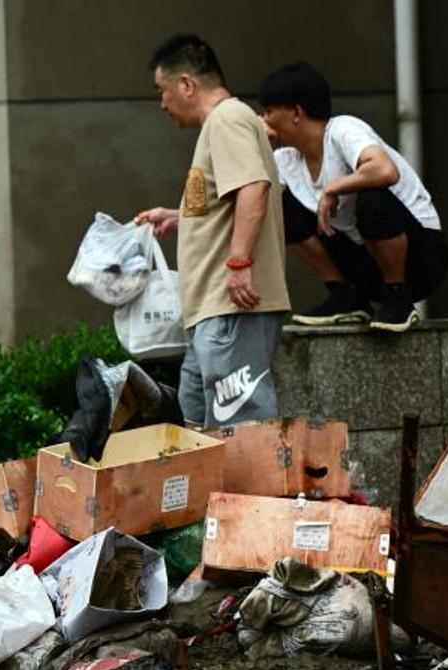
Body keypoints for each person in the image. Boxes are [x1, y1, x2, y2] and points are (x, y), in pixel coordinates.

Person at [135, 34, 291, 430]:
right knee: (198, 431)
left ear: (186, 84)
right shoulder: (226, 122)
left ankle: (248, 495)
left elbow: (253, 188)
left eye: (163, 91)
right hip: (214, 310)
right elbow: (229, 199)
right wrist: (178, 216)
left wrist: (239, 262)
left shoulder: (227, 119)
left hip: (230, 307)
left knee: (240, 428)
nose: (162, 103)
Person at [259, 62, 448, 334]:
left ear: (296, 112)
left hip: (421, 260)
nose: (264, 120)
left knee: (371, 196)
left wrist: (334, 188)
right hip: (365, 265)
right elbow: (254, 201)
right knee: (278, 207)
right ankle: (345, 296)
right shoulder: (285, 159)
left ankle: (398, 295)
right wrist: (254, 141)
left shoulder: (342, 130)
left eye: (268, 112)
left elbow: (385, 170)